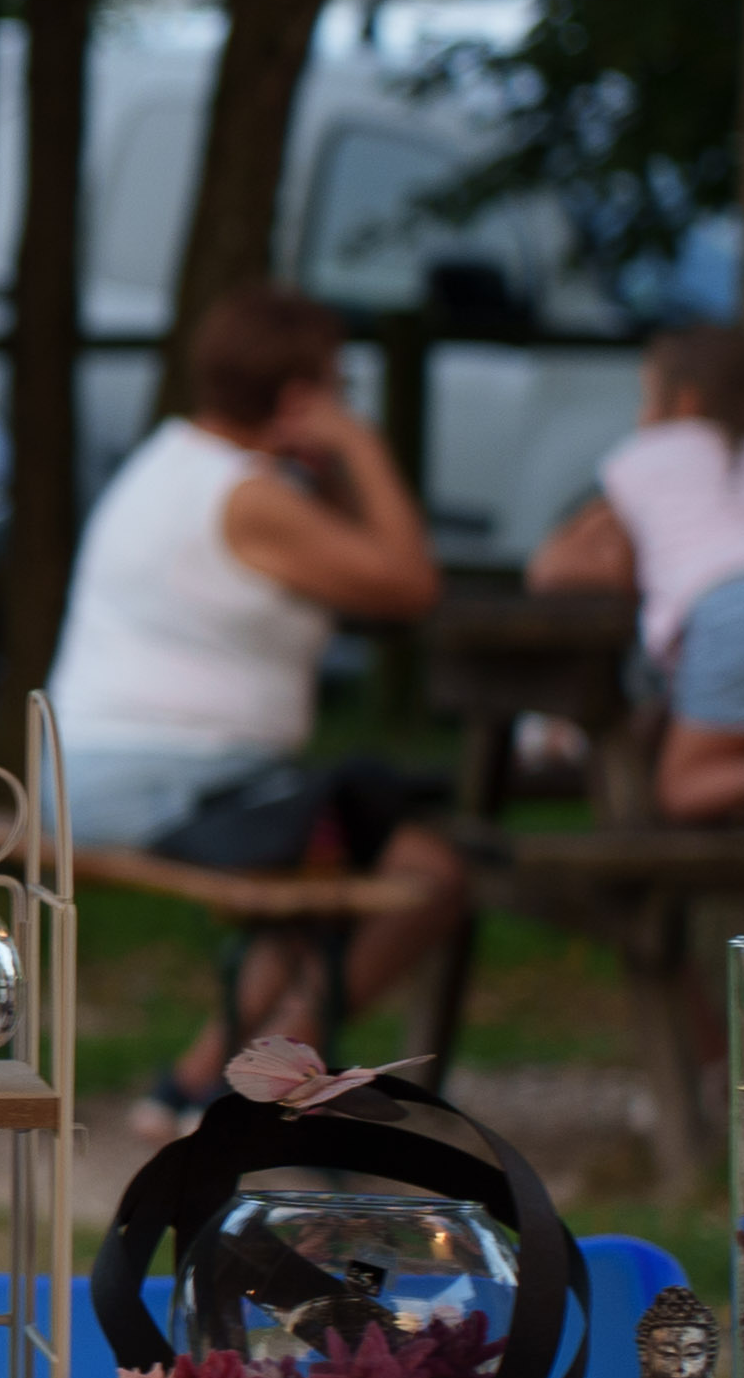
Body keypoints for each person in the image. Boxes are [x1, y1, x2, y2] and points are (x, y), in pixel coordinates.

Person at [44, 284, 466, 1101]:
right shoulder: (250, 498)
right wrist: (361, 446)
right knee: (425, 868)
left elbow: (361, 570)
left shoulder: (181, 464)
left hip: (115, 772)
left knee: (335, 839)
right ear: (300, 395)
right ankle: (254, 1089)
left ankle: (206, 1083)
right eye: (337, 386)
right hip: (158, 779)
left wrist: (327, 467)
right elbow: (410, 584)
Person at [529, 321, 744, 830]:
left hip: (736, 605)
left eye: (646, 398)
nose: (640, 415)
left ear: (686, 402)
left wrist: (633, 570)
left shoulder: (647, 457)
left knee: (682, 793)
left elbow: (556, 569)